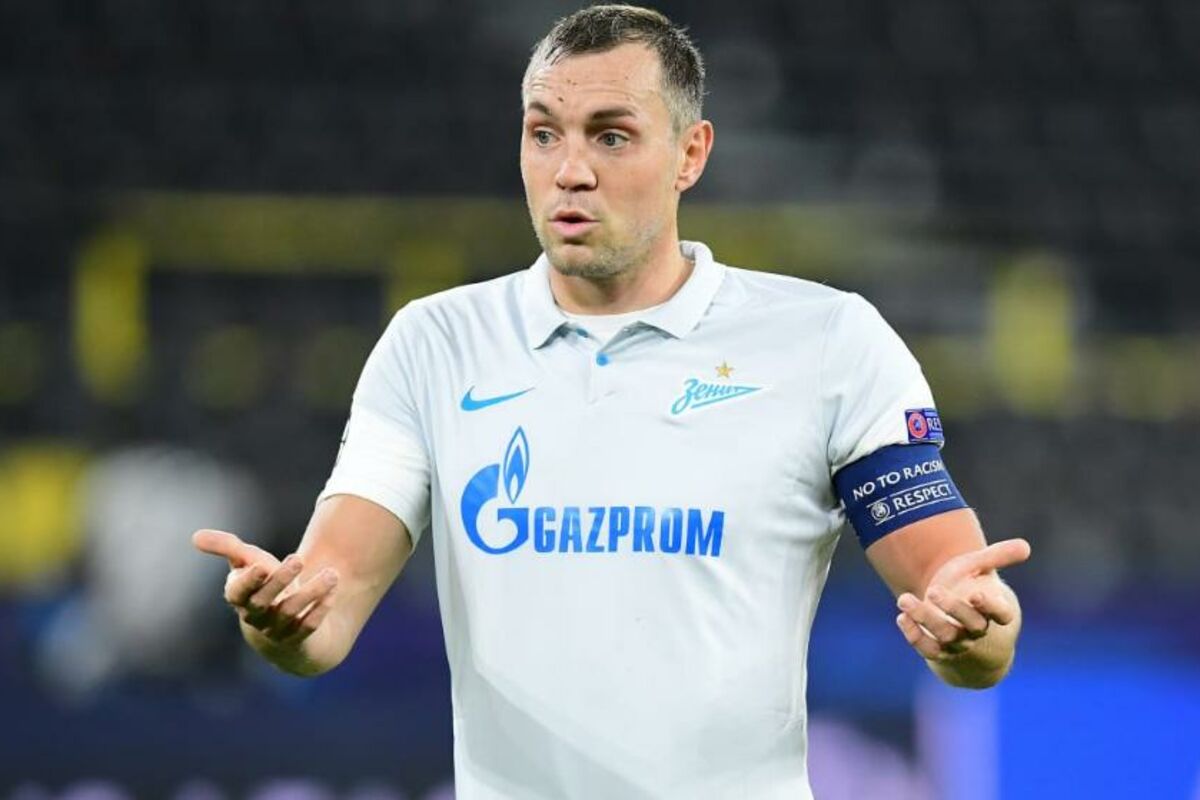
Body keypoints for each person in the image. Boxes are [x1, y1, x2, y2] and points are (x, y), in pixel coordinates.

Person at [194, 5, 1030, 798]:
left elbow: (957, 596)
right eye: (543, 133)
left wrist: (975, 632)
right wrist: (283, 622)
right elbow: (328, 607)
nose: (571, 170)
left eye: (611, 135)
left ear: (690, 154)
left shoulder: (826, 343)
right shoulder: (435, 344)